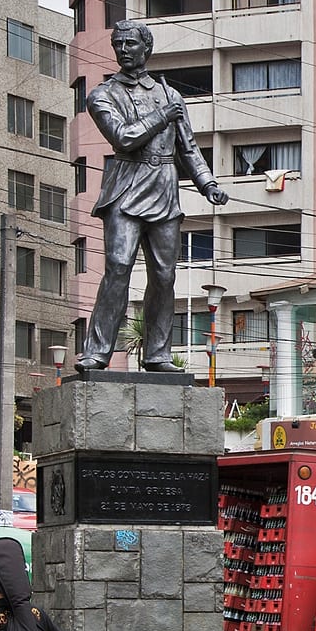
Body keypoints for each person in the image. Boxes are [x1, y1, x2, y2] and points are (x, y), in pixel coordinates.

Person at [75, 20, 228, 372]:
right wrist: (162, 117)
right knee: (117, 268)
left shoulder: (170, 95)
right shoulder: (102, 94)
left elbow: (188, 149)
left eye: (130, 43)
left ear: (147, 49)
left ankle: (158, 353)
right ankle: (98, 351)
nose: (124, 50)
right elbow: (123, 138)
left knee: (164, 275)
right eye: (118, 44)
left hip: (163, 188)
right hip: (126, 189)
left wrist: (207, 184)